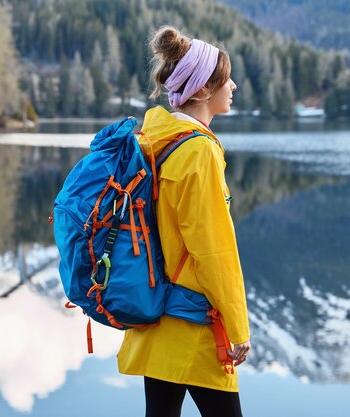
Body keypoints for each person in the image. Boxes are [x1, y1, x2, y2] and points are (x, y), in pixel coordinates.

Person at [116, 26, 251, 417]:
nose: (235, 86)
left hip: (154, 314)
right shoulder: (199, 153)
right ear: (204, 89)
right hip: (194, 323)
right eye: (227, 78)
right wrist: (238, 327)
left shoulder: (154, 140)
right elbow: (213, 249)